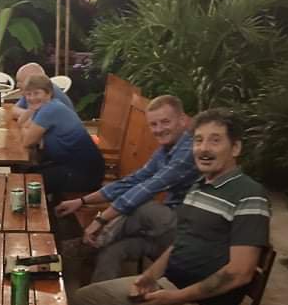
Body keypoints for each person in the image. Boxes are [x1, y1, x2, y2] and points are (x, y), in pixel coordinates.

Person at [73, 108, 270, 305]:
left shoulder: (249, 196)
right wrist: (149, 277)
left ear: (235, 148)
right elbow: (179, 244)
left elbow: (240, 273)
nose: (204, 148)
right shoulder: (199, 187)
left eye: (215, 141)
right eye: (199, 140)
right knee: (86, 299)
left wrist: (174, 298)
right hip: (171, 284)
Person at [56, 95, 197, 285]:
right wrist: (82, 201)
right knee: (112, 250)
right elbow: (134, 180)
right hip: (161, 231)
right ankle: (97, 297)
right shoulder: (164, 150)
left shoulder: (189, 150)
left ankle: (84, 245)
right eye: (153, 124)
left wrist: (100, 219)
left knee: (143, 208)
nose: (159, 129)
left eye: (165, 122)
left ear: (182, 120)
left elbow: (150, 187)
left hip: (186, 234)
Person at [20, 75, 105, 195]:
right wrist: (31, 110)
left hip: (84, 173)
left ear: (49, 93)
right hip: (72, 165)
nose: (32, 98)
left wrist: (29, 131)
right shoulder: (47, 106)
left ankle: (46, 207)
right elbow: (22, 124)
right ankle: (48, 205)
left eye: (36, 93)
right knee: (26, 172)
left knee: (26, 182)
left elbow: (27, 141)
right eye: (28, 94)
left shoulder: (50, 109)